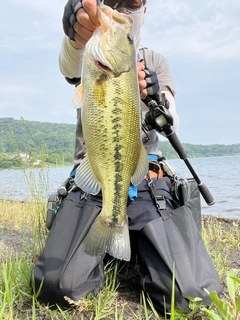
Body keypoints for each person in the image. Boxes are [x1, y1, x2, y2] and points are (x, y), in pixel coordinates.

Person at [32, 0, 220, 315]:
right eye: (112, 1)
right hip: (92, 177)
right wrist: (73, 32)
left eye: (131, 3)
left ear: (143, 11)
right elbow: (69, 63)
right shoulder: (91, 51)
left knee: (189, 295)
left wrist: (157, 98)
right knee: (56, 287)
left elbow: (171, 121)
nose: (120, 9)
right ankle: (108, 246)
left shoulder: (155, 61)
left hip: (146, 179)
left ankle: (131, 247)